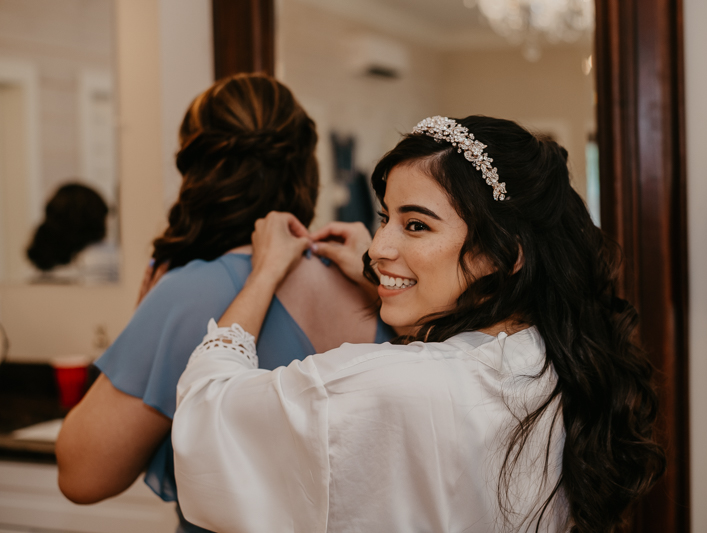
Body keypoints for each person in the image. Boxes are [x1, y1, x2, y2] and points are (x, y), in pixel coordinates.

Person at [172, 115, 666, 532]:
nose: (376, 248)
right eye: (385, 218)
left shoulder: (384, 385)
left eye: (416, 225)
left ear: (505, 254)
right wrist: (387, 284)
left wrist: (263, 275)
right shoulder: (553, 363)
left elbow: (207, 412)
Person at [55, 73, 394, 533]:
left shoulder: (189, 291)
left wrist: (149, 318)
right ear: (304, 167)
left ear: (198, 173)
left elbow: (83, 477)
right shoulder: (379, 288)